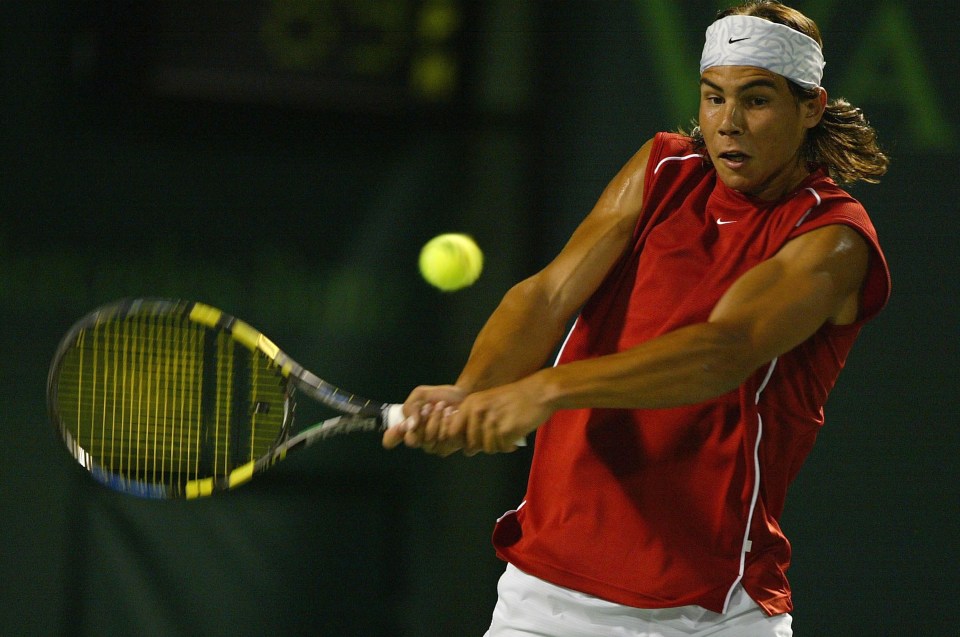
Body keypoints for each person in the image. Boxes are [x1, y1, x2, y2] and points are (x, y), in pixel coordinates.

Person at [384, 1, 890, 635]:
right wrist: (472, 388)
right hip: (544, 597)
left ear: (810, 107)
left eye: (756, 100)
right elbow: (547, 295)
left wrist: (545, 389)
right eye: (713, 98)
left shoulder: (833, 238)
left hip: (708, 612)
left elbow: (722, 352)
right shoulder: (662, 170)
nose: (727, 124)